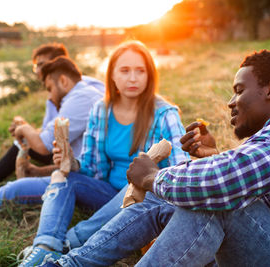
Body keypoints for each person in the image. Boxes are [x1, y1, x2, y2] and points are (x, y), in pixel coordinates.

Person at [45, 50, 270, 267]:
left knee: (210, 201)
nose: (231, 101)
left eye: (239, 90)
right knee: (187, 190)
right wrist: (212, 156)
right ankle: (69, 263)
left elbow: (222, 183)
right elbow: (252, 181)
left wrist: (150, 178)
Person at [18, 40, 189, 266]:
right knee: (62, 177)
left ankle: (70, 241)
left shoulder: (164, 113)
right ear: (113, 76)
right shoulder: (101, 109)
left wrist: (152, 180)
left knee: (137, 186)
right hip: (107, 193)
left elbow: (182, 170)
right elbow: (91, 167)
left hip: (144, 200)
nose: (133, 78)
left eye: (140, 71)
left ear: (149, 75)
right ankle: (44, 246)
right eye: (125, 71)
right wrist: (72, 162)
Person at [0, 56, 101, 225]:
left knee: (14, 189)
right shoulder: (87, 92)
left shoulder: (81, 98)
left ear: (63, 80)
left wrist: (23, 128)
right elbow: (83, 163)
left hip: (92, 182)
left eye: (50, 88)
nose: (50, 96)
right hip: (85, 172)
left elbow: (43, 146)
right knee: (20, 184)